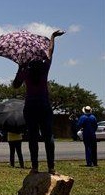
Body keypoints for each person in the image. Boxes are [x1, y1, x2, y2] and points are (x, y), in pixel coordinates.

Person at [12, 30, 65, 174]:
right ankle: (51, 167)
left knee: (33, 138)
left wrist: (20, 67)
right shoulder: (44, 67)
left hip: (30, 106)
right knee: (48, 137)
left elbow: (15, 85)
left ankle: (34, 167)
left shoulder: (25, 70)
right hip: (44, 104)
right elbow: (50, 51)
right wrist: (53, 37)